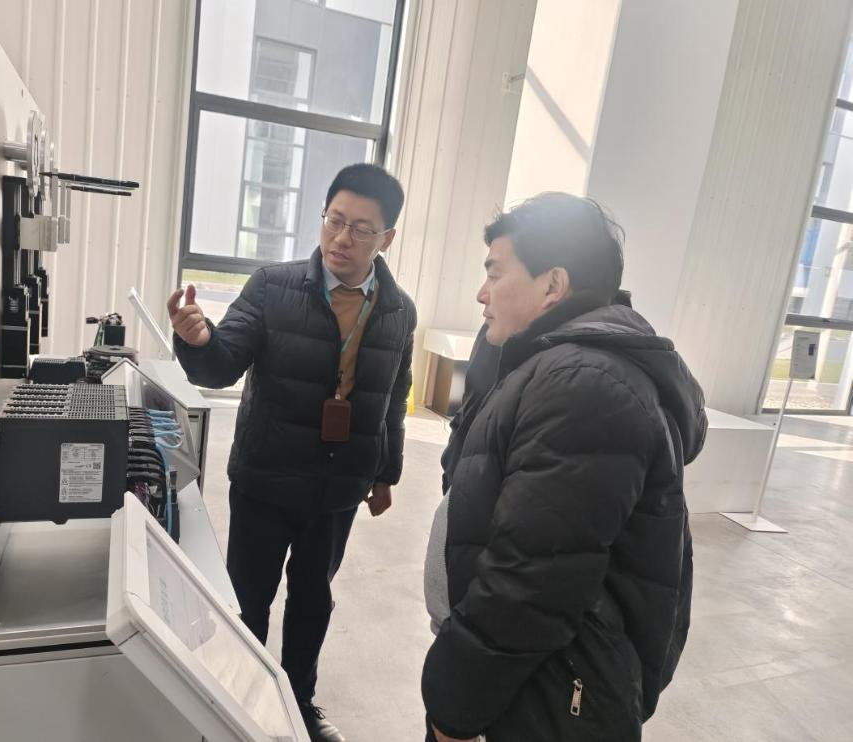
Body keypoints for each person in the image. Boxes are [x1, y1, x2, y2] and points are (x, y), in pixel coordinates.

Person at [421, 193, 707, 741]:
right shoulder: (552, 363)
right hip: (521, 682)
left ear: (553, 285)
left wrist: (453, 711)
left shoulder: (584, 384)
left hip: (543, 696)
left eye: (495, 273)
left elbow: (531, 583)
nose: (482, 293)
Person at [167, 164, 416, 742]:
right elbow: (223, 363)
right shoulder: (272, 286)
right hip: (267, 476)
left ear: (386, 239)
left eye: (360, 228)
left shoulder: (399, 310)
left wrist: (386, 471)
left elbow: (394, 395)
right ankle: (240, 699)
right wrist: (197, 339)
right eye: (334, 220)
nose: (341, 238)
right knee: (248, 597)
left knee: (313, 600)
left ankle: (299, 702)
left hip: (339, 486)